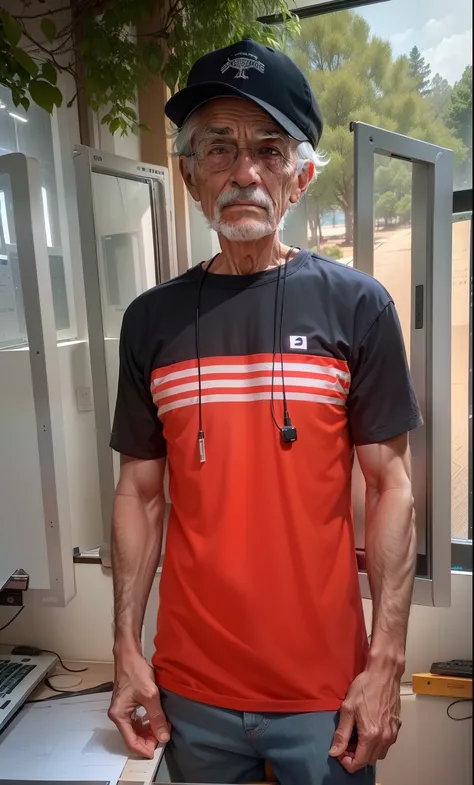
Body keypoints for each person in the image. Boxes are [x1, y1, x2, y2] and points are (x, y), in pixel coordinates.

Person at [108, 38, 421, 785]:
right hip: (189, 690)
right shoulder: (151, 321)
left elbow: (393, 487)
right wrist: (124, 644)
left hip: (324, 690)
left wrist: (386, 660)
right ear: (188, 176)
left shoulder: (358, 307)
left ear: (300, 174)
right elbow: (139, 495)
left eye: (269, 149)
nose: (244, 171)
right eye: (218, 148)